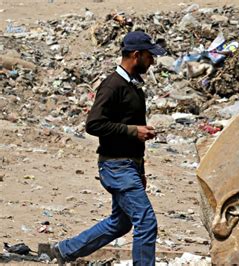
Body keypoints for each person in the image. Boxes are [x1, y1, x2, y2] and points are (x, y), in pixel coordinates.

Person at [50, 31, 166, 265]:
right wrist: (134, 130)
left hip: (128, 166)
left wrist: (140, 169)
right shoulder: (112, 85)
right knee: (146, 221)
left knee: (120, 222)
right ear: (136, 55)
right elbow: (94, 124)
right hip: (116, 166)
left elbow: (122, 125)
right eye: (149, 56)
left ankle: (65, 250)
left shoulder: (133, 86)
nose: (152, 61)